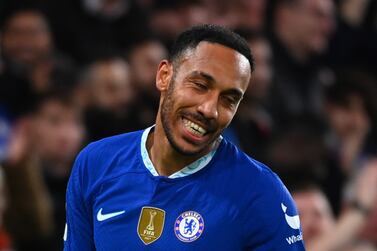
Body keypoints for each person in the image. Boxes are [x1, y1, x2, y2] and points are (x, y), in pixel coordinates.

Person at [64, 24, 305, 250]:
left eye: (228, 99)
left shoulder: (262, 193)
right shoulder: (95, 164)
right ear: (164, 76)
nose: (209, 109)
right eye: (200, 85)